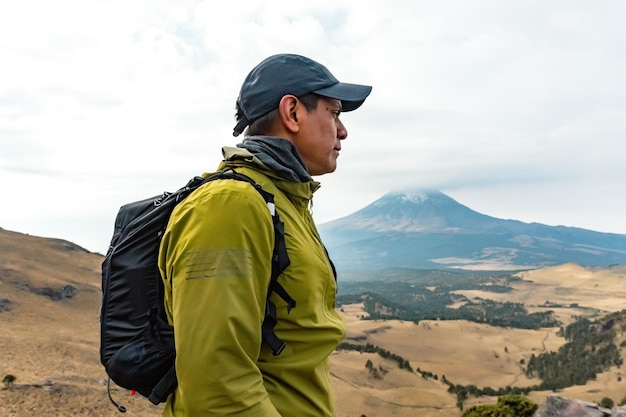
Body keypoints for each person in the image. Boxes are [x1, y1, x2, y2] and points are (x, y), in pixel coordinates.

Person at [158, 53, 372, 416]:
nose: (343, 130)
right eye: (334, 113)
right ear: (292, 113)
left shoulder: (283, 202)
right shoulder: (230, 206)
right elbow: (217, 387)